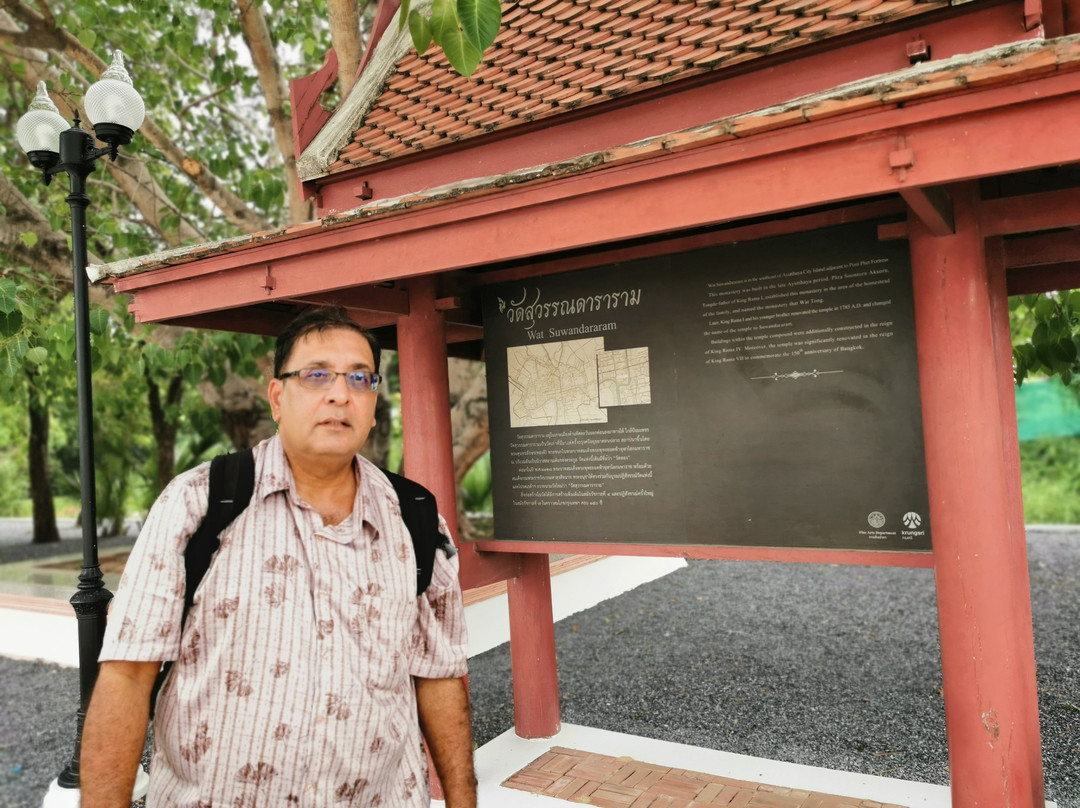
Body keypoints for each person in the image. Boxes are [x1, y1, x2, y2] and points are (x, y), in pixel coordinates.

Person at [80, 306, 476, 807]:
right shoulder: (199, 503)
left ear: (374, 403)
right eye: (315, 375)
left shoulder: (415, 517)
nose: (340, 393)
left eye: (360, 378)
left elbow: (438, 674)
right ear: (276, 397)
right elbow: (127, 675)